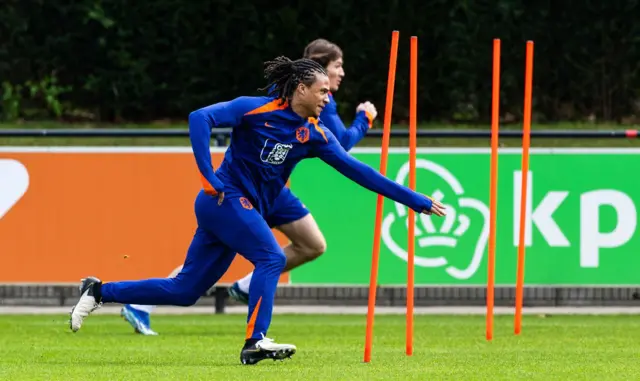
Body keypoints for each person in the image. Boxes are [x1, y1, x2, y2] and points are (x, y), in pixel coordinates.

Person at [69, 56, 445, 365]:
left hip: (242, 207)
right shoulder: (255, 108)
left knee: (185, 291)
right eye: (323, 91)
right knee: (269, 256)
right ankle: (256, 341)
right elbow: (200, 118)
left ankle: (99, 291)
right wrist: (207, 175)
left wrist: (417, 201)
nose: (328, 100)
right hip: (222, 199)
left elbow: (360, 173)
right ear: (301, 89)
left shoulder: (315, 134)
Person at [119, 38, 379, 335]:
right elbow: (341, 144)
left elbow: (328, 146)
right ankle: (145, 304)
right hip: (249, 187)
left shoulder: (305, 94)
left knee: (313, 245)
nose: (342, 73)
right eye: (338, 65)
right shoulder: (311, 99)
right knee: (219, 256)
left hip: (273, 187)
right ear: (319, 70)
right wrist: (364, 119)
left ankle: (244, 286)